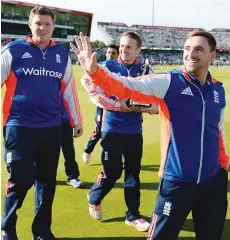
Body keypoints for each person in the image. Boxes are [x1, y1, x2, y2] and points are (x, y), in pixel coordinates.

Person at [71, 31, 229, 240]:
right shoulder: (169, 82)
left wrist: (223, 164)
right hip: (177, 181)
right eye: (187, 48)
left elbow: (217, 129)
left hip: (213, 182)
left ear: (212, 55)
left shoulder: (218, 90)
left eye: (199, 49)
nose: (191, 54)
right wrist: (94, 71)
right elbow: (127, 86)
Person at [1, 6, 82, 240]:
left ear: (53, 27)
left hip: (51, 128)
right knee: (21, 179)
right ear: (30, 25)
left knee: (47, 183)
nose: (42, 28)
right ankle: (7, 227)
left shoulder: (62, 55)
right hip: (19, 127)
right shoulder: (13, 50)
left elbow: (69, 91)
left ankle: (42, 231)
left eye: (47, 24)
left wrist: (76, 120)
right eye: (38, 23)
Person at [80, 32, 159, 232]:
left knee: (133, 175)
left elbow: (153, 98)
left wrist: (147, 107)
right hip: (112, 129)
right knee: (113, 172)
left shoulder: (145, 69)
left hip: (134, 131)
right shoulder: (108, 67)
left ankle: (133, 215)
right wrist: (120, 105)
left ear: (138, 50)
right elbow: (91, 89)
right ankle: (95, 196)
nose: (124, 50)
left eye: (129, 47)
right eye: (122, 46)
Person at [82, 44, 119, 164]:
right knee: (99, 131)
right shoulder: (100, 66)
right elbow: (86, 80)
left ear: (118, 55)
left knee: (118, 132)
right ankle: (87, 150)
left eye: (113, 53)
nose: (110, 55)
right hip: (103, 104)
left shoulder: (121, 68)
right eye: (108, 52)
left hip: (117, 104)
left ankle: (119, 156)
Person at [60, 94, 84, 188]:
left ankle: (73, 176)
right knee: (45, 152)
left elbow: (71, 96)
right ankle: (40, 176)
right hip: (43, 121)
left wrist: (77, 122)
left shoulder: (62, 78)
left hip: (63, 119)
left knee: (68, 150)